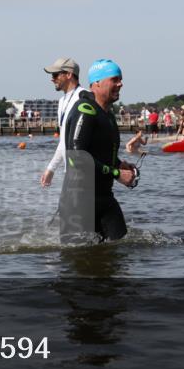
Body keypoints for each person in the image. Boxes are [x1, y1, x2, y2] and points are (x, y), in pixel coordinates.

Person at [60, 59, 135, 242]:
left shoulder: (107, 114)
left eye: (121, 79)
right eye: (115, 79)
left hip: (104, 197)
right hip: (79, 202)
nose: (121, 84)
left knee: (121, 250)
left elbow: (99, 152)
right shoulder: (85, 110)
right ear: (97, 83)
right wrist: (117, 173)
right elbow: (76, 158)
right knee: (80, 263)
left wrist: (119, 164)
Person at [40, 58, 84, 187]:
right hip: (70, 172)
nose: (52, 79)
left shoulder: (84, 97)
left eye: (55, 74)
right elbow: (64, 141)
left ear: (69, 75)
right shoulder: (61, 102)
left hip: (84, 174)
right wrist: (51, 168)